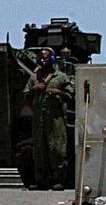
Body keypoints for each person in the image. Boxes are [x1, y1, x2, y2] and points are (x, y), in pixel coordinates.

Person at [24, 47, 74, 190]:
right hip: (39, 119)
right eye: (41, 57)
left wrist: (58, 92)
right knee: (39, 150)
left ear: (52, 59)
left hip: (56, 119)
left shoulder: (61, 77)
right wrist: (34, 89)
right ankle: (41, 180)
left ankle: (59, 180)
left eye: (46, 57)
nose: (43, 60)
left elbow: (71, 95)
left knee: (57, 149)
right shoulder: (34, 77)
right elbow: (26, 95)